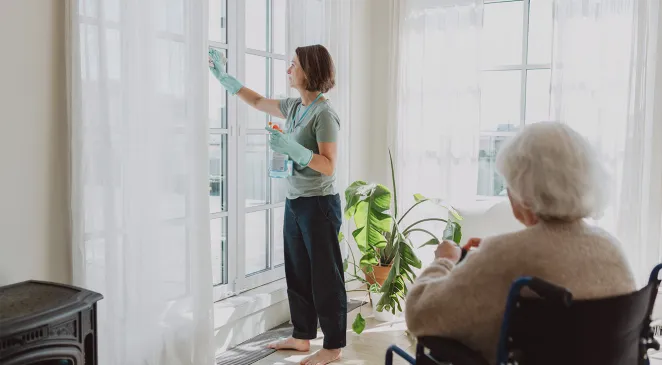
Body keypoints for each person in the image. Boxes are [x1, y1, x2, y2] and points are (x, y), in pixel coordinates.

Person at [404, 122, 636, 364]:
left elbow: (419, 314)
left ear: (524, 192)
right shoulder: (613, 249)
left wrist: (445, 259)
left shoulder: (504, 256)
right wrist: (497, 254)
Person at [209, 45, 345, 365]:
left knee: (325, 277)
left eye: (293, 65)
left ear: (309, 71)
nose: (288, 70)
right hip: (296, 202)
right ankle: (302, 337)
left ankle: (334, 346)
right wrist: (224, 78)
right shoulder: (296, 107)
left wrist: (293, 150)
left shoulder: (325, 114)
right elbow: (257, 101)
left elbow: (329, 165)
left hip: (319, 205)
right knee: (297, 272)